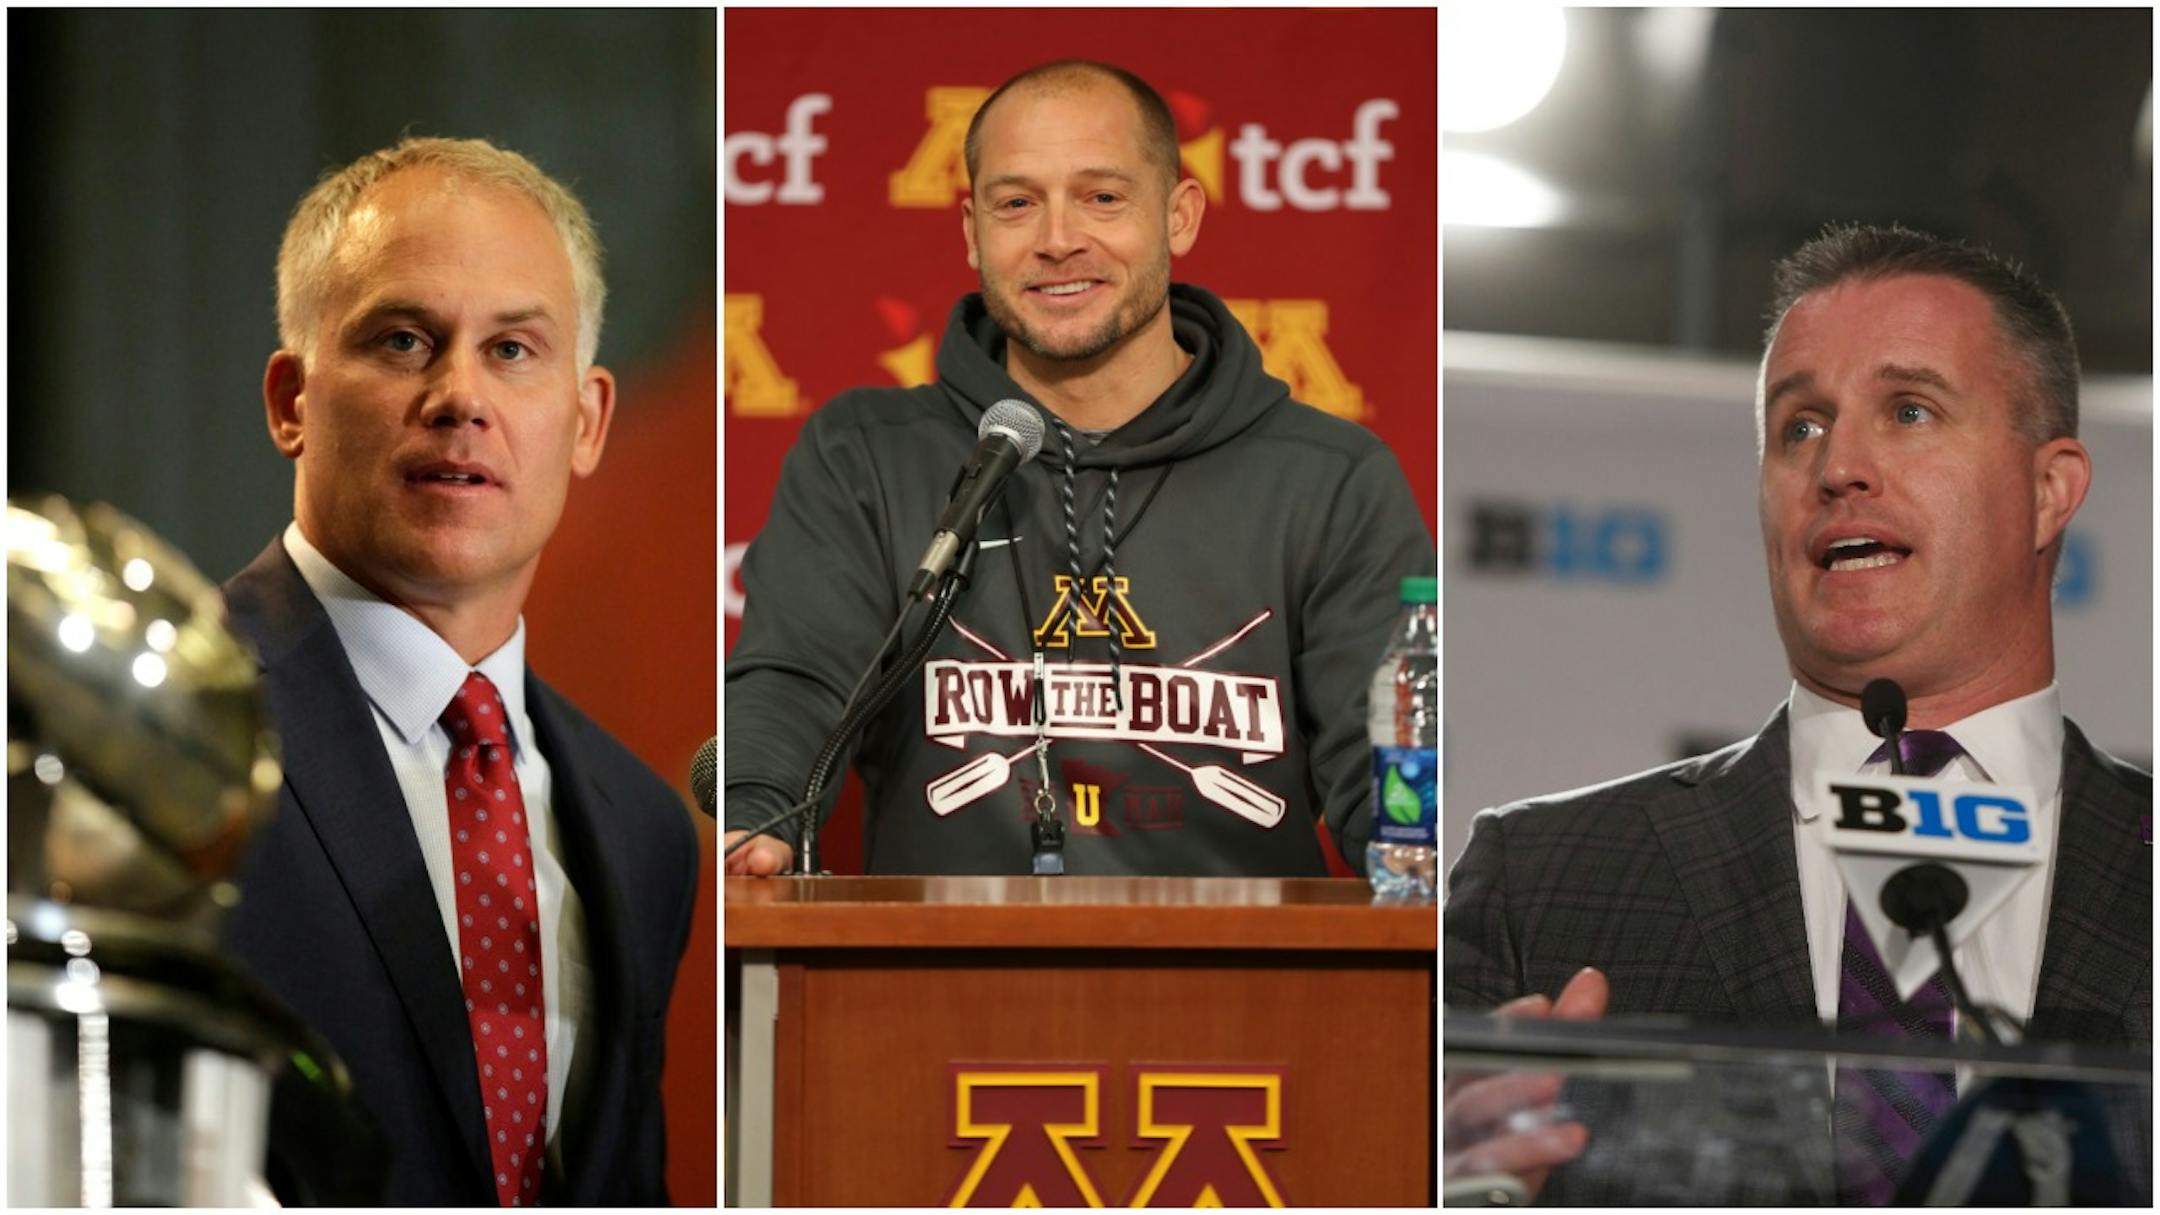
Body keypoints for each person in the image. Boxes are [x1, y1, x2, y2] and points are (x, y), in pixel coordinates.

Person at [1444, 224, 2149, 1203]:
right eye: (1801, 427)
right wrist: (1440, 1177)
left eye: (1909, 410)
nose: (1839, 467)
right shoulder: (1544, 879)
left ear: (2048, 489)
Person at [724, 60, 1432, 877]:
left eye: (1102, 197)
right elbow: (796, 680)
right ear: (972, 231)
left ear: (1179, 216)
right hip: (935, 959)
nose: (1058, 239)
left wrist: (1417, 851)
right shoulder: (866, 453)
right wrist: (757, 815)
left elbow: (1390, 771)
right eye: (1017, 203)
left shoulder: (1331, 479)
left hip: (1243, 963)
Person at [220, 137, 699, 1205]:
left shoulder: (642, 828)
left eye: (513, 349)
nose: (459, 396)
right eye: (403, 340)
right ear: (292, 400)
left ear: (587, 422)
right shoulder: (161, 734)